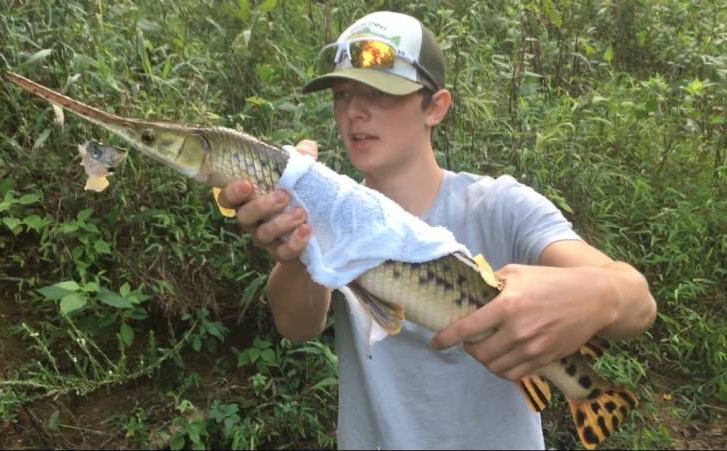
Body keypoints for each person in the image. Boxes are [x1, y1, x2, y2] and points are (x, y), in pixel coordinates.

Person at [218, 10, 656, 450]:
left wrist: (599, 296)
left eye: (378, 93)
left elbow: (637, 301)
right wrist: (296, 232)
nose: (354, 112)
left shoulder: (501, 206)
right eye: (342, 93)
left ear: (436, 106)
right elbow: (297, 326)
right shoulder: (337, 212)